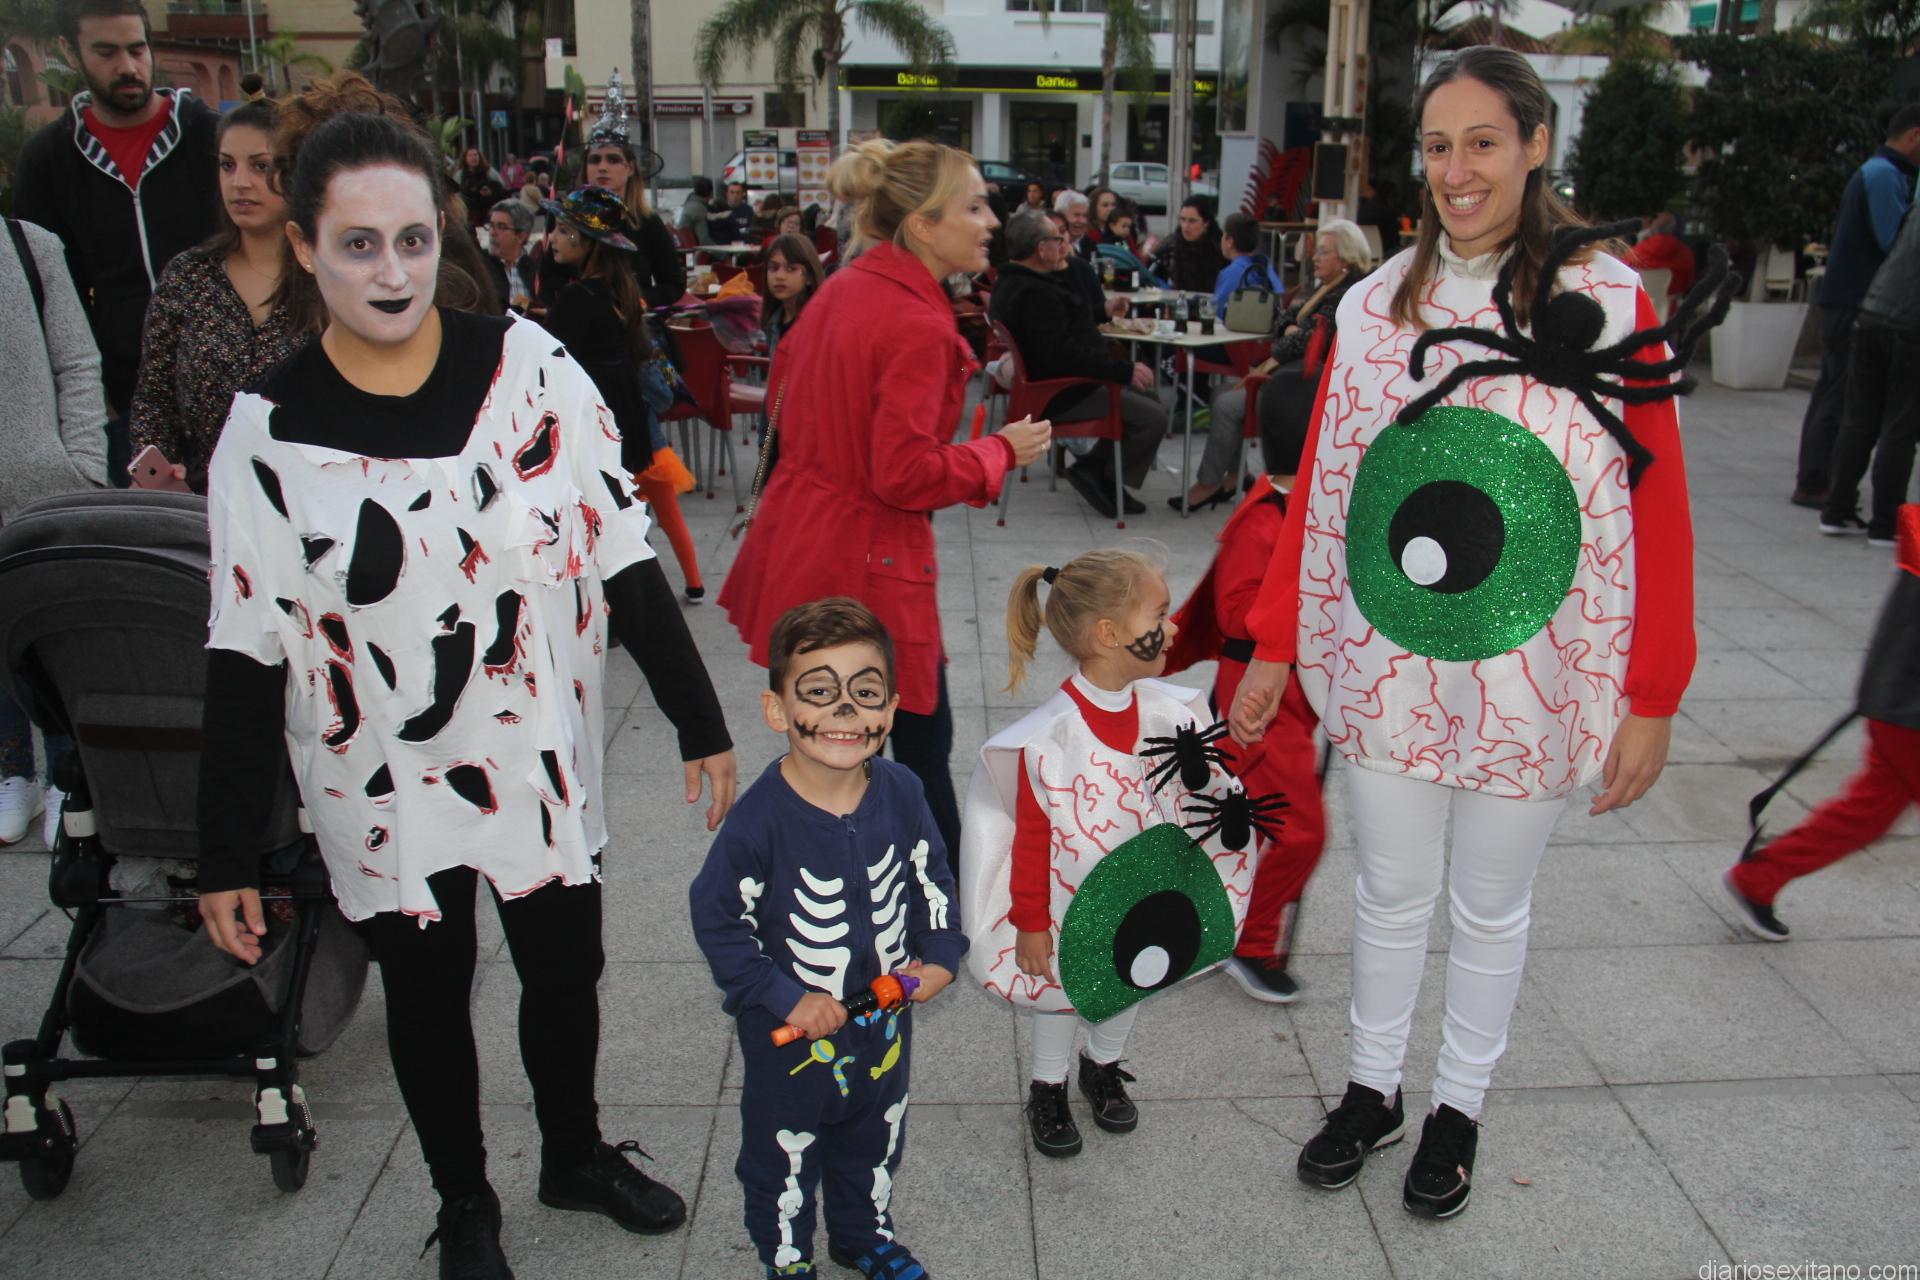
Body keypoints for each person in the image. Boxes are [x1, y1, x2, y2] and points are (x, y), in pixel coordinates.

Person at [192, 110, 738, 1279]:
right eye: (358, 245)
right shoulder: (265, 435)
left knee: (566, 968)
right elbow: (243, 647)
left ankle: (573, 1152)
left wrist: (701, 719)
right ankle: (465, 1197)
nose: (392, 271)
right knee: (428, 993)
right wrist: (223, 851)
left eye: (413, 239)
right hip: (377, 775)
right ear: (305, 246)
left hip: (534, 756)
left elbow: (621, 551)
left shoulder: (532, 368)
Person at [1229, 46, 1704, 1221]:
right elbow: (1325, 485)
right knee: (1390, 890)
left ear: (1537, 144)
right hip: (1392, 657)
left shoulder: (1611, 301)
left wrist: (1654, 692)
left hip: (1540, 667)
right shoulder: (1374, 304)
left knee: (1491, 904)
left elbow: (1658, 506)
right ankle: (1372, 1088)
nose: (1457, 170)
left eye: (1483, 141)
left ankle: (1459, 1107)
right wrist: (1276, 638)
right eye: (1438, 146)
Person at [719, 138, 1053, 872]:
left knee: (835, 747)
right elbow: (902, 474)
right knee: (917, 749)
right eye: (973, 206)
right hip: (867, 563)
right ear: (924, 224)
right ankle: (946, 902)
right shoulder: (918, 323)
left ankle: (849, 888)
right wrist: (997, 452)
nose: (992, 220)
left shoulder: (844, 289)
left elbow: (789, 407)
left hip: (806, 542)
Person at [690, 598, 963, 1280]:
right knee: (782, 1154)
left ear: (890, 711)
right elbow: (718, 917)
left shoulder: (902, 790)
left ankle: (862, 1234)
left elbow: (931, 876)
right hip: (792, 1040)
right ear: (777, 709)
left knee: (877, 1135)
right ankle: (787, 1257)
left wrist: (939, 952)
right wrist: (783, 995)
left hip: (883, 1021)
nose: (845, 710)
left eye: (864, 693)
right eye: (818, 692)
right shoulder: (759, 821)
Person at [959, 548, 1257, 1158]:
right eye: (1160, 614)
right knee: (1061, 993)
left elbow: (1196, 794)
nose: (1173, 627)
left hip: (1142, 895)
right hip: (1069, 904)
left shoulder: (1169, 712)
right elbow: (1031, 840)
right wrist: (1031, 923)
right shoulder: (1050, 740)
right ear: (1109, 634)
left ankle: (1103, 1066)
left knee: (1135, 973)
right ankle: (1048, 1086)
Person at [14, 0, 221, 439]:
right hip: (122, 399)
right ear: (70, 52)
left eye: (137, 49)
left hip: (229, 384)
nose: (128, 67)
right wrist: (90, 399)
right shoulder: (47, 160)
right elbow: (50, 292)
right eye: (106, 52)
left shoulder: (211, 137)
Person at [1718, 504, 1919, 941]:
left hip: (1896, 701)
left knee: (1869, 812)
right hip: (1907, 711)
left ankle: (1760, 878)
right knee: (1870, 810)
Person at [1165, 478, 1326, 1002]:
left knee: (1244, 820)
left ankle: (1222, 925)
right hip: (1260, 693)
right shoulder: (1262, 519)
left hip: (1294, 690)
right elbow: (1237, 615)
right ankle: (1249, 942)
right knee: (1300, 832)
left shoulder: (1306, 506)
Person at [129, 98, 306, 493]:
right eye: (227, 165)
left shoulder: (328, 276)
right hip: (205, 503)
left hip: (318, 504)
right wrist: (159, 474)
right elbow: (154, 398)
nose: (239, 182)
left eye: (261, 166)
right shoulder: (189, 276)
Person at [540, 185, 705, 603]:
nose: (553, 238)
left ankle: (626, 603)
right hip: (627, 420)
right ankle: (650, 597)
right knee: (626, 519)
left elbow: (548, 368)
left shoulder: (577, 298)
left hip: (593, 426)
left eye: (563, 231)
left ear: (586, 241)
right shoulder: (621, 292)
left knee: (608, 521)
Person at [0, 214, 108, 847]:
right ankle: (11, 769)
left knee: (54, 639)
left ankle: (68, 777)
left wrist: (83, 469)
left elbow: (77, 362)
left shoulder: (29, 245)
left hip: (42, 492)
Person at [1179, 219, 1368, 511]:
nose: (1315, 258)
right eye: (1316, 251)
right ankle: (1232, 477)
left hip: (1304, 394)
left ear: (1345, 258)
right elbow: (1283, 318)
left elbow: (1300, 343)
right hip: (1292, 381)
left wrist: (1290, 333)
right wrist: (1291, 330)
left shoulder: (1345, 296)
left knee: (1226, 404)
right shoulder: (1327, 288)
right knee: (1221, 395)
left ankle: (1209, 483)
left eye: (1324, 252)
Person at [989, 209, 1165, 520]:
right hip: (1061, 392)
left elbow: (1062, 329)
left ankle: (1099, 473)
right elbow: (1064, 354)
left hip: (1061, 384)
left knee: (1146, 400)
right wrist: (1124, 371)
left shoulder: (1016, 280)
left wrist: (1102, 311)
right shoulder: (1034, 292)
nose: (1063, 244)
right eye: (1057, 239)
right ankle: (1100, 473)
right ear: (1041, 249)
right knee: (1153, 416)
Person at [1794, 104, 1920, 511]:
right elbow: (1894, 243)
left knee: (1835, 390)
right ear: (1914, 135)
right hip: (1855, 301)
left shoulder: (1880, 171)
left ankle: (1818, 479)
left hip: (1850, 300)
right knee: (1841, 394)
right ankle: (1818, 482)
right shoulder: (1884, 175)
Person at [1822, 188, 1920, 548]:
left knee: (1858, 419)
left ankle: (1837, 509)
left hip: (1873, 312)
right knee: (1900, 427)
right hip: (1911, 325)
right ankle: (1886, 523)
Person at [580, 98, 688, 311]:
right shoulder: (570, 219)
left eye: (612, 160)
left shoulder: (647, 222)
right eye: (595, 160)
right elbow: (550, 279)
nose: (602, 167)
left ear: (629, 168)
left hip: (631, 322)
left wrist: (640, 301)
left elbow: (673, 284)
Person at [761, 231, 824, 361]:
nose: (779, 276)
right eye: (773, 268)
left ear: (809, 277)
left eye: (791, 269)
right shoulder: (773, 320)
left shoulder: (818, 325)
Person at [1212, 211, 1284, 317]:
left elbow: (1217, 311)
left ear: (1229, 241)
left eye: (1223, 234)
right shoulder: (1265, 265)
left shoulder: (1231, 273)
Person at [1150, 196, 1227, 294]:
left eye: (1192, 221)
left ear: (1206, 223)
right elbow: (1151, 277)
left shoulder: (1220, 247)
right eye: (1183, 219)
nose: (1186, 226)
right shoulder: (1170, 246)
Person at [482, 197, 542, 315]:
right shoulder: (481, 264)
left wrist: (527, 305)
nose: (492, 233)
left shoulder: (533, 269)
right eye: (491, 225)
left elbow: (535, 306)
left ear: (521, 236)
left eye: (501, 227)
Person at [1624, 210, 1694, 299]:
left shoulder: (1635, 253)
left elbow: (1625, 277)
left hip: (1640, 304)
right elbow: (1687, 283)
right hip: (1670, 305)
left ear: (1652, 228)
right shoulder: (1685, 254)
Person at [457, 146, 504, 231]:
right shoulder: (460, 175)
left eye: (475, 155)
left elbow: (501, 188)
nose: (473, 158)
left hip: (488, 212)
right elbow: (456, 194)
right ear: (465, 158)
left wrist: (491, 192)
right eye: (470, 155)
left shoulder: (489, 171)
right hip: (469, 213)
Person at [1054, 188, 1093, 257]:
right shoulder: (1051, 245)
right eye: (1076, 215)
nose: (1082, 221)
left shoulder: (1088, 243)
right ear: (1060, 215)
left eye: (1085, 216)